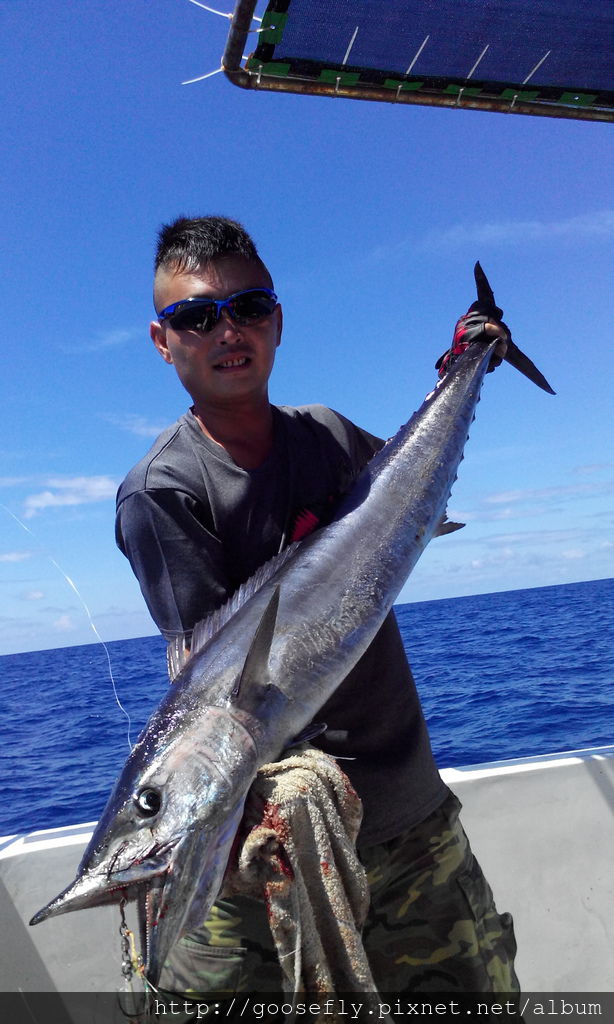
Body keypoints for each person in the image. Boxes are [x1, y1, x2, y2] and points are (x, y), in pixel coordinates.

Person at [115, 215, 519, 996]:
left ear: (277, 321)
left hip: (412, 826)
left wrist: (465, 362)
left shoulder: (330, 435)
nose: (227, 331)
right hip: (267, 855)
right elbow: (211, 686)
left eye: (250, 307)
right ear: (164, 342)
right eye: (196, 316)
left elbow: (411, 485)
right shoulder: (163, 492)